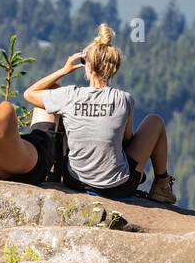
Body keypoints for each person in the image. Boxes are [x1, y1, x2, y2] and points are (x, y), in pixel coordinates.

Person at [23, 24, 178, 203]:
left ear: (87, 67)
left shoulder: (70, 95)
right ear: (114, 68)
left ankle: (50, 170)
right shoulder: (123, 99)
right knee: (154, 121)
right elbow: (127, 140)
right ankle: (162, 184)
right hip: (118, 186)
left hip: (76, 181)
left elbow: (29, 94)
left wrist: (63, 70)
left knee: (50, 97)